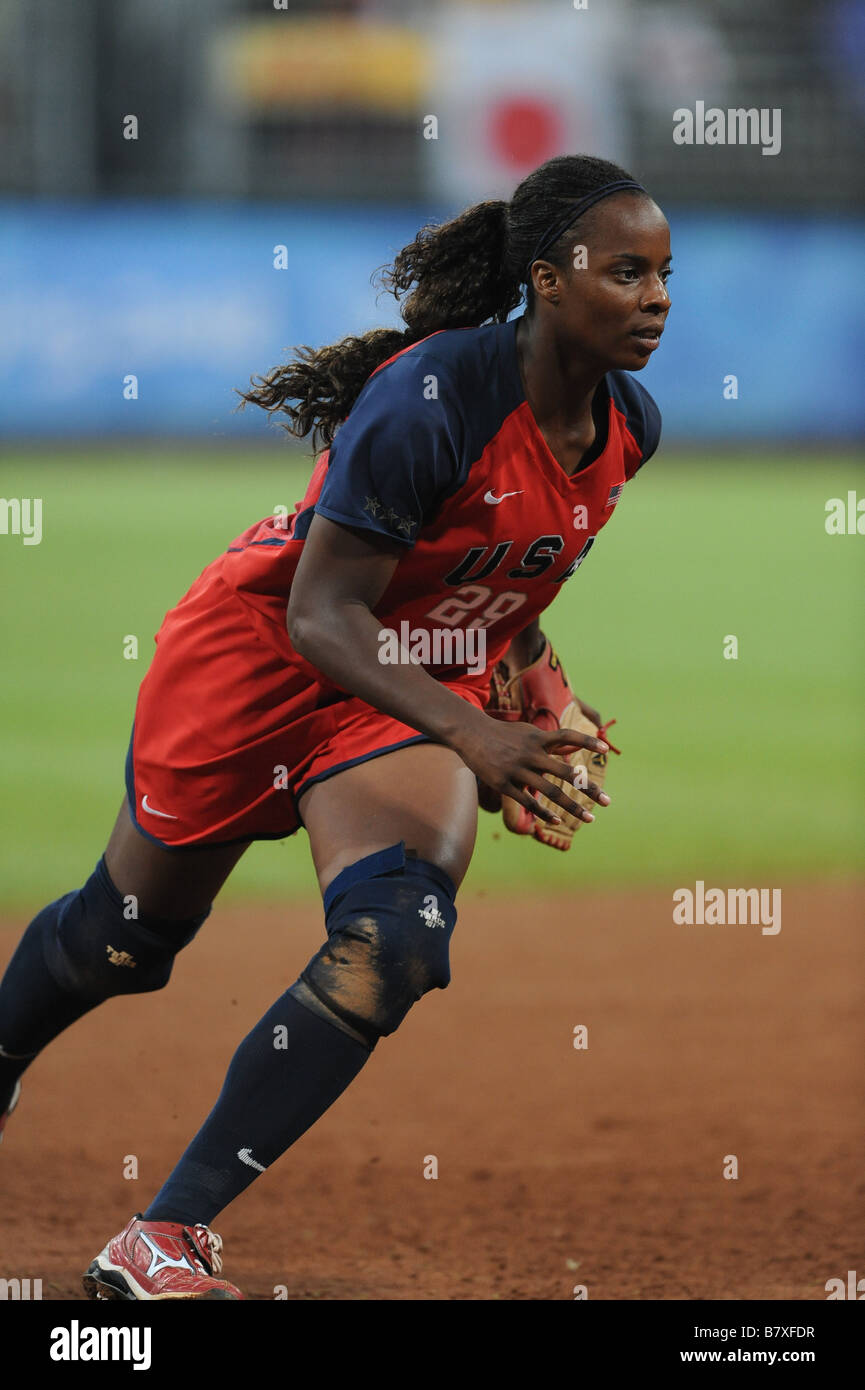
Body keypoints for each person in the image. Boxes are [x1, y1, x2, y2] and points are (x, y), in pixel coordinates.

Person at [0, 153, 671, 1300]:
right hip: (259, 659)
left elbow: (508, 582)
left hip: (396, 687)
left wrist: (542, 693)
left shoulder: (625, 427)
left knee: (398, 938)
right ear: (548, 282)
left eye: (663, 274)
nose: (655, 298)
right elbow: (320, 612)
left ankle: (164, 1233)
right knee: (123, 940)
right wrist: (478, 739)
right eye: (625, 272)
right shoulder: (432, 401)